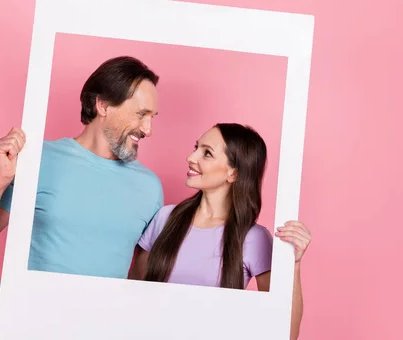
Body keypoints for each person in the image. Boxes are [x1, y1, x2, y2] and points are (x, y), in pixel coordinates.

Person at [0, 56, 164, 340]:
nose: (148, 129)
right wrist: (0, 180)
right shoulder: (38, 160)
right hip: (25, 327)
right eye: (141, 114)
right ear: (103, 105)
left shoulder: (150, 188)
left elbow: (141, 282)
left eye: (152, 118)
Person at [129, 123, 311, 340]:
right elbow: (132, 297)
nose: (191, 157)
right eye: (196, 147)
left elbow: (286, 332)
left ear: (233, 173)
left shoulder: (254, 239)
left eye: (206, 153)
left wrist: (294, 265)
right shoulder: (165, 218)